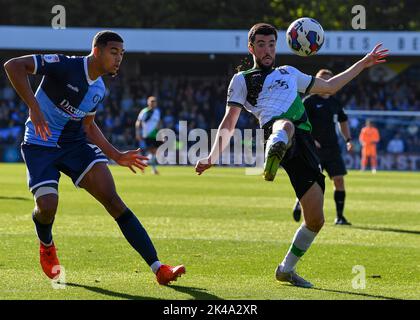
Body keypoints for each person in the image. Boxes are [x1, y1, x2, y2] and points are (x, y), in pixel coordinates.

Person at [195, 23, 388, 288]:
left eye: (271, 44)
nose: (267, 50)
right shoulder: (242, 79)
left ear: (277, 46)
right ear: (251, 48)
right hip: (278, 130)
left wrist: (363, 63)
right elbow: (229, 120)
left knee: (316, 219)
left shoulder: (289, 72)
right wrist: (212, 155)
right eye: (261, 45)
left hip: (305, 144)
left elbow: (330, 86)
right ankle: (274, 149)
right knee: (284, 125)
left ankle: (286, 269)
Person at [3, 30, 185, 285]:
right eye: (114, 52)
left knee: (112, 199)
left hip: (75, 145)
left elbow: (88, 126)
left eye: (122, 53)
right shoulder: (65, 64)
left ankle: (159, 268)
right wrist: (33, 107)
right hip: (40, 143)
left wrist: (116, 155)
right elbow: (13, 65)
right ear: (96, 51)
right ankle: (46, 245)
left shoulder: (99, 89)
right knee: (47, 207)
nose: (119, 58)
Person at [292, 69, 353, 226]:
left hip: (332, 149)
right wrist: (311, 140)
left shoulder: (335, 102)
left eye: (328, 81)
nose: (324, 84)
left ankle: (340, 217)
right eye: (322, 81)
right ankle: (299, 202)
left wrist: (348, 139)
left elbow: (343, 120)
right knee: (312, 183)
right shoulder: (309, 102)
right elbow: (299, 123)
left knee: (339, 181)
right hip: (314, 150)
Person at [135, 96, 161, 175]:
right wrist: (137, 132)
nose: (153, 103)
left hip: (156, 134)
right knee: (152, 151)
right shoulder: (144, 112)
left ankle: (143, 164)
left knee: (154, 153)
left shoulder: (157, 112)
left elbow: (158, 123)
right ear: (148, 103)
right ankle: (153, 169)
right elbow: (138, 122)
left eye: (154, 102)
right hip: (147, 135)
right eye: (151, 102)